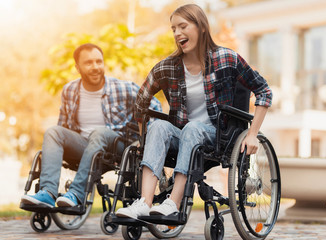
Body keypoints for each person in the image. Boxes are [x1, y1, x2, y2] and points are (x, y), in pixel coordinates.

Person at [116, 4, 272, 219]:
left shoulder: (226, 58)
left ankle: (173, 203)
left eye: (183, 26)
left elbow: (263, 90)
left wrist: (253, 133)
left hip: (218, 136)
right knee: (159, 125)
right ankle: (144, 202)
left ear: (201, 27)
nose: (177, 33)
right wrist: (145, 138)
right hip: (183, 136)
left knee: (192, 128)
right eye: (173, 29)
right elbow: (140, 103)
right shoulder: (167, 67)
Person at [21, 43, 162, 208]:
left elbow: (155, 107)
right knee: (53, 132)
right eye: (88, 63)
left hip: (116, 148)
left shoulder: (123, 88)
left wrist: (144, 140)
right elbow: (64, 128)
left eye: (98, 61)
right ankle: (48, 192)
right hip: (85, 148)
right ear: (77, 67)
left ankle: (76, 193)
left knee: (99, 132)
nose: (95, 67)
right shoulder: (69, 90)